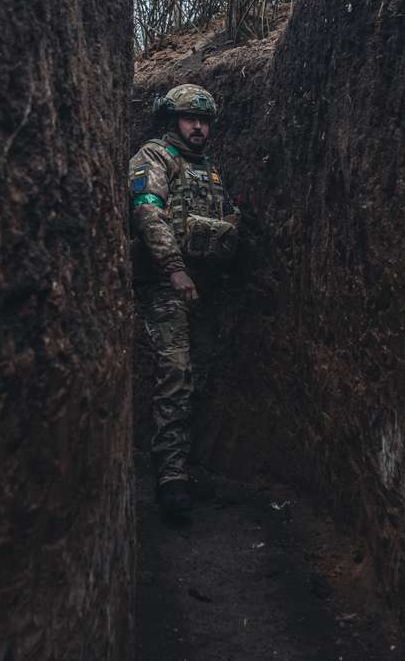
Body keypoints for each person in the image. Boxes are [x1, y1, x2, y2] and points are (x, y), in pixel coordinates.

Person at [128, 83, 240, 517]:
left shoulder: (208, 169)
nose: (199, 127)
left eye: (205, 120)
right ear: (172, 119)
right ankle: (169, 478)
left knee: (200, 375)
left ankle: (186, 470)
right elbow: (147, 212)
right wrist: (173, 266)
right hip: (166, 285)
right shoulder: (154, 157)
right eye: (191, 118)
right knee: (174, 373)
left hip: (205, 288)